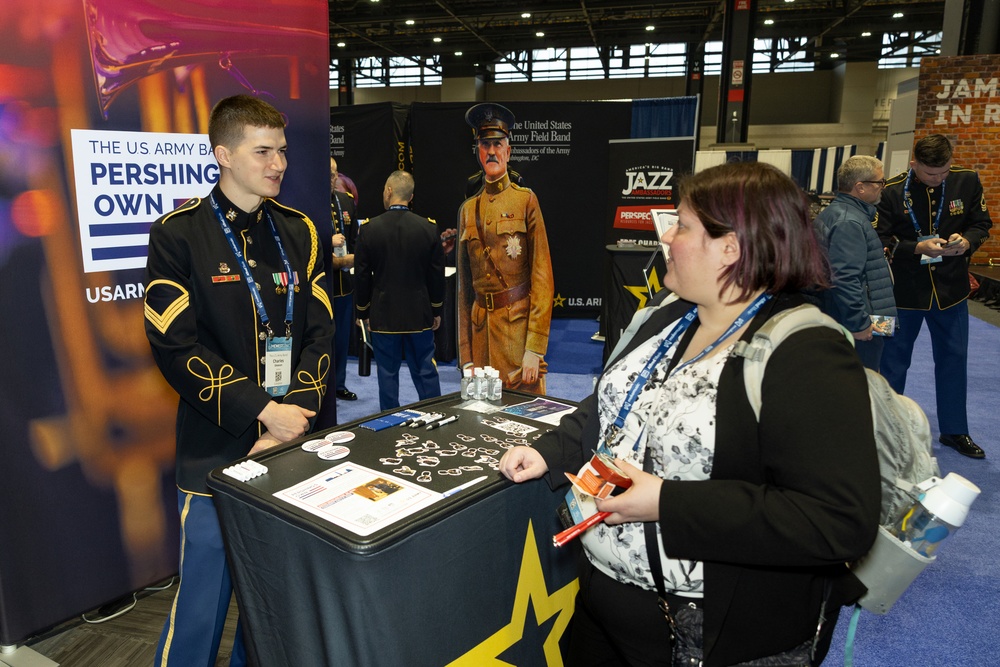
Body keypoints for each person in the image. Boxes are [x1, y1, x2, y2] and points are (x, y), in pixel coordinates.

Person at [500, 162, 880, 666]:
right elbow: (619, 402)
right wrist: (552, 450)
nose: (666, 236)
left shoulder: (804, 350)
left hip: (710, 632)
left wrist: (670, 503)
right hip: (601, 604)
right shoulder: (670, 314)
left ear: (731, 247)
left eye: (681, 224)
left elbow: (837, 521)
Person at [143, 95, 334, 666]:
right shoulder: (178, 235)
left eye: (282, 150)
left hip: (296, 439)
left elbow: (321, 334)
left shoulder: (300, 231)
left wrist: (291, 416)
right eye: (262, 151)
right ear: (223, 154)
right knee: (202, 601)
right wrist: (262, 411)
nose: (278, 163)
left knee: (272, 601)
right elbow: (176, 349)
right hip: (214, 448)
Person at [875, 134, 992, 459]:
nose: (938, 180)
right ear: (914, 164)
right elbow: (879, 238)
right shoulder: (892, 190)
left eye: (943, 173)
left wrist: (967, 242)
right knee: (894, 364)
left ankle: (955, 431)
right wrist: (915, 248)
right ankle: (888, 432)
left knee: (954, 362)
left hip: (951, 292)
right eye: (930, 174)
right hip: (903, 294)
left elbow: (982, 223)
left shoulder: (966, 181)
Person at [457, 102, 554, 393]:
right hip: (479, 338)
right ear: (477, 152)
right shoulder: (468, 209)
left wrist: (535, 348)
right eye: (484, 145)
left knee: (524, 420)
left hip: (517, 336)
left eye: (497, 144)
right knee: (481, 421)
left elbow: (542, 278)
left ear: (508, 151)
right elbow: (464, 290)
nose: (491, 152)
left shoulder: (525, 201)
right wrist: (466, 357)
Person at [354, 170, 445, 411]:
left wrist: (362, 312)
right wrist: (436, 309)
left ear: (389, 191)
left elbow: (362, 277)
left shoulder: (369, 229)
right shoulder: (428, 228)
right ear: (411, 196)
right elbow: (436, 276)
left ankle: (392, 423)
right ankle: (434, 414)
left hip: (383, 316)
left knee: (387, 374)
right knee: (425, 370)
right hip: (420, 314)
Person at [814, 154, 897, 370]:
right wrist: (859, 323)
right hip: (856, 324)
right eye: (880, 182)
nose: (882, 187)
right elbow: (845, 278)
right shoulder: (848, 221)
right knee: (860, 386)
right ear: (860, 187)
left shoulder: (845, 215)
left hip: (852, 318)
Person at [316, 157, 359, 432]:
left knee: (343, 339)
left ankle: (340, 384)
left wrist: (353, 258)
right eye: (327, 173)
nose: (332, 178)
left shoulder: (345, 202)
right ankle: (323, 389)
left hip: (345, 284)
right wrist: (326, 243)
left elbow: (355, 236)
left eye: (334, 173)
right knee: (323, 340)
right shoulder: (310, 203)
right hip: (322, 286)